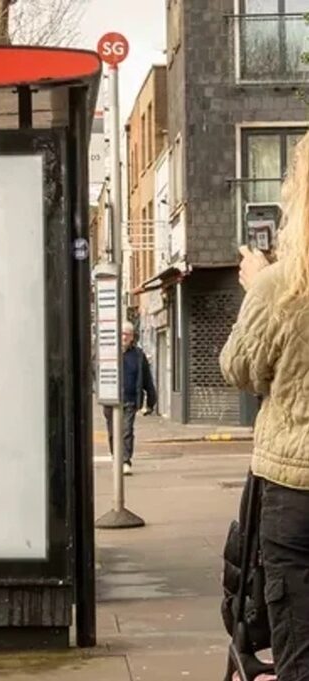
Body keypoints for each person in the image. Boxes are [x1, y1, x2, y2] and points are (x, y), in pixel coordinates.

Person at [220, 131, 309, 681]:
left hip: (295, 492)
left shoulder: (282, 288)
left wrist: (257, 285)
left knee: (297, 646)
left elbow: (240, 369)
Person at [103, 321, 157, 476]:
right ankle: (116, 457)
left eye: (127, 334)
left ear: (132, 337)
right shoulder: (108, 352)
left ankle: (125, 461)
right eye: (122, 333)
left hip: (130, 400)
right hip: (110, 399)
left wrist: (151, 402)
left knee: (126, 430)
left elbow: (147, 379)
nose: (124, 337)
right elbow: (95, 369)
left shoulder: (138, 355)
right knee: (113, 432)